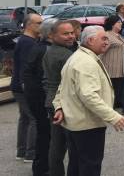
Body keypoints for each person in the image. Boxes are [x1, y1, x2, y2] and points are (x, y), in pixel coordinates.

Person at [52, 26, 124, 176]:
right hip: (87, 126)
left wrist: (58, 107)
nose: (107, 42)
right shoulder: (85, 62)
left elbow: (63, 87)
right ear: (90, 40)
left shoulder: (78, 57)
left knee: (77, 165)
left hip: (77, 124)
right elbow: (89, 96)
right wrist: (113, 117)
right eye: (104, 38)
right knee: (89, 167)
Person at [43, 20, 78, 176]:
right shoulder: (66, 55)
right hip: (62, 104)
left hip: (53, 101)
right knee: (70, 147)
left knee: (57, 146)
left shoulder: (50, 50)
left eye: (72, 32)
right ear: (52, 35)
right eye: (65, 34)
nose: (71, 36)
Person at [23, 18, 54, 175]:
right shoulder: (44, 50)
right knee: (45, 135)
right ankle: (42, 168)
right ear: (51, 34)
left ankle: (42, 167)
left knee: (45, 134)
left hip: (37, 97)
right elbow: (42, 79)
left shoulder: (40, 47)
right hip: (41, 100)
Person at [12, 13, 42, 164]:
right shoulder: (28, 43)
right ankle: (30, 153)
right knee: (33, 118)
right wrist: (27, 88)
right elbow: (25, 67)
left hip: (18, 85)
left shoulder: (27, 41)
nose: (42, 25)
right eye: (39, 23)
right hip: (24, 87)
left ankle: (22, 151)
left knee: (25, 118)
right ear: (29, 25)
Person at [101, 15, 124, 109]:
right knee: (111, 90)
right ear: (112, 24)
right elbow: (101, 51)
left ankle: (115, 106)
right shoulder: (107, 36)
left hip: (119, 68)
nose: (121, 24)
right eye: (118, 22)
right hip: (111, 69)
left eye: (121, 22)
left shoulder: (118, 35)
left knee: (118, 89)